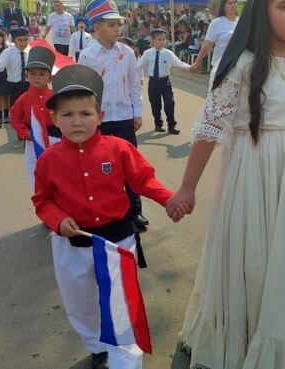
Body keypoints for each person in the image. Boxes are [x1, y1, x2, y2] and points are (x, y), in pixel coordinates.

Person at [166, 0, 285, 369]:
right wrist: (187, 188)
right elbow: (209, 127)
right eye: (284, 6)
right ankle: (251, 341)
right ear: (261, 13)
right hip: (255, 174)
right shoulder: (243, 65)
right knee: (258, 261)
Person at [32, 65, 174, 369]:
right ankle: (97, 346)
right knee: (80, 302)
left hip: (117, 243)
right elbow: (42, 200)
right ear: (53, 119)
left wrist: (170, 200)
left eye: (85, 113)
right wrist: (57, 219)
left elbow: (144, 181)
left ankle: (125, 360)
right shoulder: (48, 161)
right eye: (67, 115)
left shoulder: (119, 149)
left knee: (121, 305)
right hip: (72, 245)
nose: (77, 121)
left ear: (101, 116)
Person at [78, 0, 148, 233]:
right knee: (100, 167)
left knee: (130, 166)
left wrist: (136, 112)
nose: (117, 29)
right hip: (99, 121)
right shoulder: (87, 56)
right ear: (95, 27)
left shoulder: (127, 52)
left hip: (123, 118)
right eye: (111, 24)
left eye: (119, 24)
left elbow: (135, 84)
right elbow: (83, 92)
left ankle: (134, 211)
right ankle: (105, 211)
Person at [10, 46, 61, 187]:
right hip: (33, 139)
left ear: (50, 77)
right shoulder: (23, 99)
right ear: (26, 76)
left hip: (56, 137)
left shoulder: (55, 96)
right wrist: (25, 133)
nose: (36, 77)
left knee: (58, 170)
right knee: (36, 170)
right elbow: (14, 117)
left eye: (41, 74)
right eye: (32, 73)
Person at [138, 28, 190, 135]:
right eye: (159, 39)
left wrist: (190, 67)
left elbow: (178, 63)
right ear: (152, 41)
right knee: (155, 105)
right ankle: (158, 124)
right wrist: (140, 78)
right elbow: (139, 67)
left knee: (169, 104)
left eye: (163, 40)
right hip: (153, 83)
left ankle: (172, 126)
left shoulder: (168, 53)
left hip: (165, 82)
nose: (162, 42)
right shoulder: (147, 53)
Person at [0, 27, 31, 107]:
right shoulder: (8, 52)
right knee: (16, 108)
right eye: (20, 40)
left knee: (29, 107)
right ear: (14, 41)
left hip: (29, 84)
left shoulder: (31, 51)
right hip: (14, 85)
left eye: (26, 40)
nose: (23, 43)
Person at [190, 0, 239, 73]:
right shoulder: (217, 22)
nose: (233, 5)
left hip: (236, 66)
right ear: (224, 7)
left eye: (234, 2)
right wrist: (197, 63)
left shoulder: (240, 22)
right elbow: (207, 45)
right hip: (220, 66)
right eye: (229, 3)